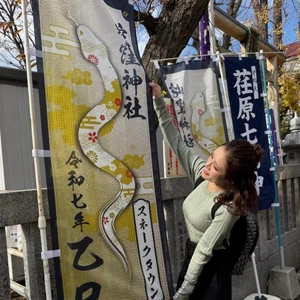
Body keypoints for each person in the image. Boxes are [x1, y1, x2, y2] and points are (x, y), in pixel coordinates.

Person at [149, 82, 264, 300]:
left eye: (216, 167)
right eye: (212, 156)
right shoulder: (202, 177)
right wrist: (158, 101)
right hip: (192, 260)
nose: (208, 165)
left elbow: (204, 250)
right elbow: (176, 142)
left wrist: (184, 290)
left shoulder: (229, 206)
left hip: (211, 272)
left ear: (230, 178)